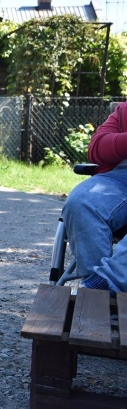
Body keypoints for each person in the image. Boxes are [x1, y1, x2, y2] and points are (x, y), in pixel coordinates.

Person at [62, 102, 127, 296]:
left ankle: (101, 288)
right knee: (81, 202)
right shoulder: (124, 111)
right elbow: (96, 148)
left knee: (101, 289)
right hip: (120, 177)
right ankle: (97, 294)